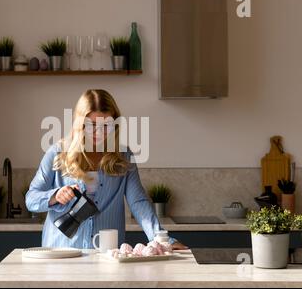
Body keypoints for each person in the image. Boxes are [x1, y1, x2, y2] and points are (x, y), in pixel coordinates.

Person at [26, 89, 187, 250]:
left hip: (107, 255)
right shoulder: (58, 153)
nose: (99, 132)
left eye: (106, 125)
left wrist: (164, 239)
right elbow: (31, 199)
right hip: (60, 253)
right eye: (92, 125)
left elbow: (138, 202)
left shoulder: (123, 157)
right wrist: (55, 196)